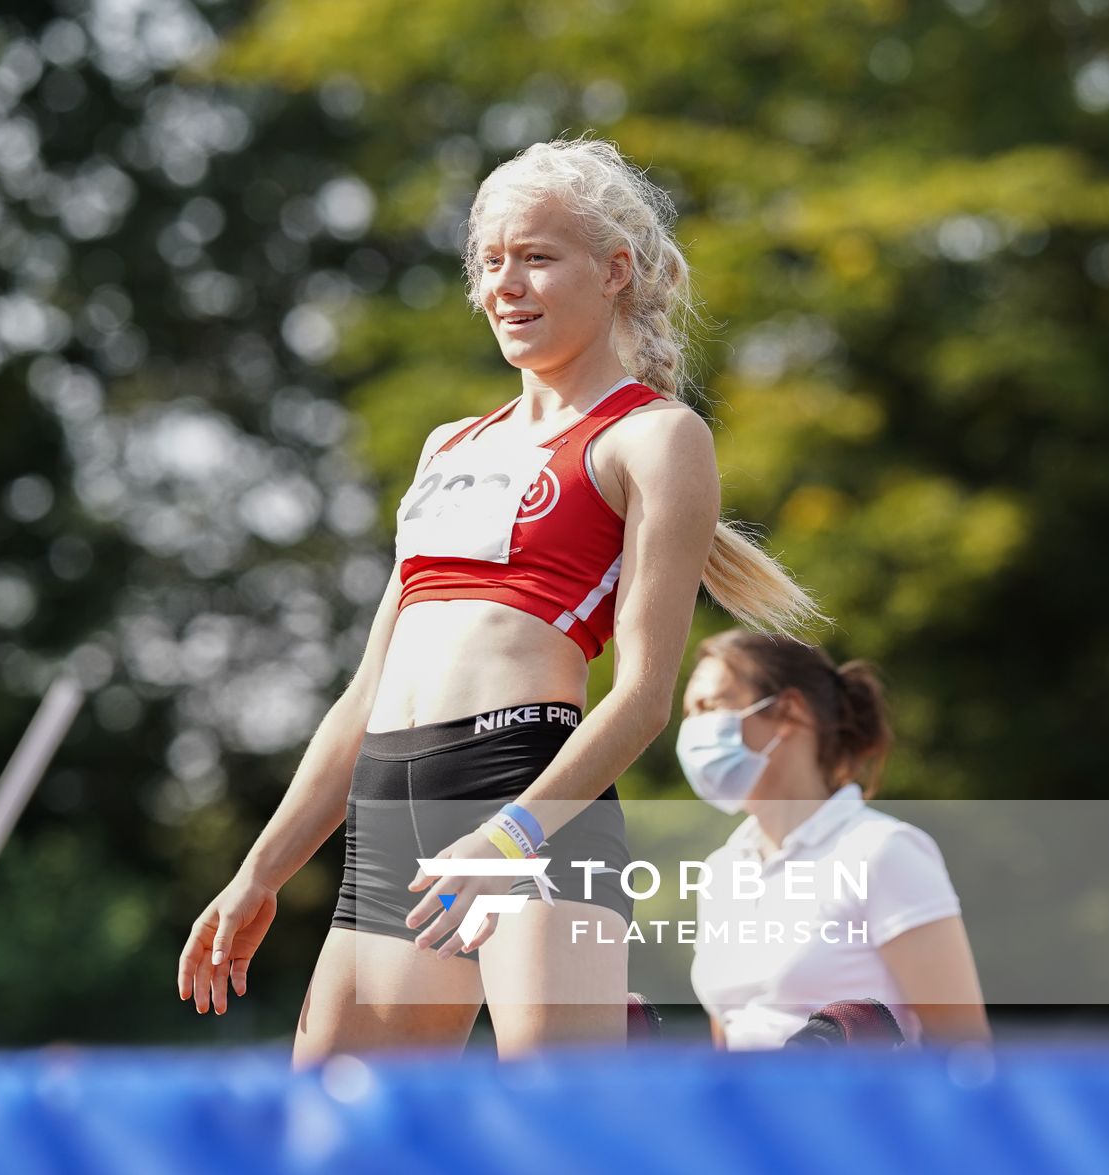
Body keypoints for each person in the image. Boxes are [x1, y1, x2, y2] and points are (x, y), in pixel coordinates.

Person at [177, 136, 822, 1065]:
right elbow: (363, 697)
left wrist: (511, 837)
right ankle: (703, 1069)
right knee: (332, 1141)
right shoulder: (449, 447)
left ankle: (781, 1082)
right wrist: (259, 873)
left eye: (536, 257)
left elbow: (641, 697)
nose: (506, 285)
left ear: (613, 272)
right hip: (387, 803)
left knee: (562, 1148)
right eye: (489, 263)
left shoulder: (654, 437)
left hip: (524, 795)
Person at [680, 629, 992, 1050]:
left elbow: (965, 1051)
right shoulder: (720, 870)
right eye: (689, 714)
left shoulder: (883, 851)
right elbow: (729, 1036)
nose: (693, 730)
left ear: (789, 712)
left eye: (710, 707)